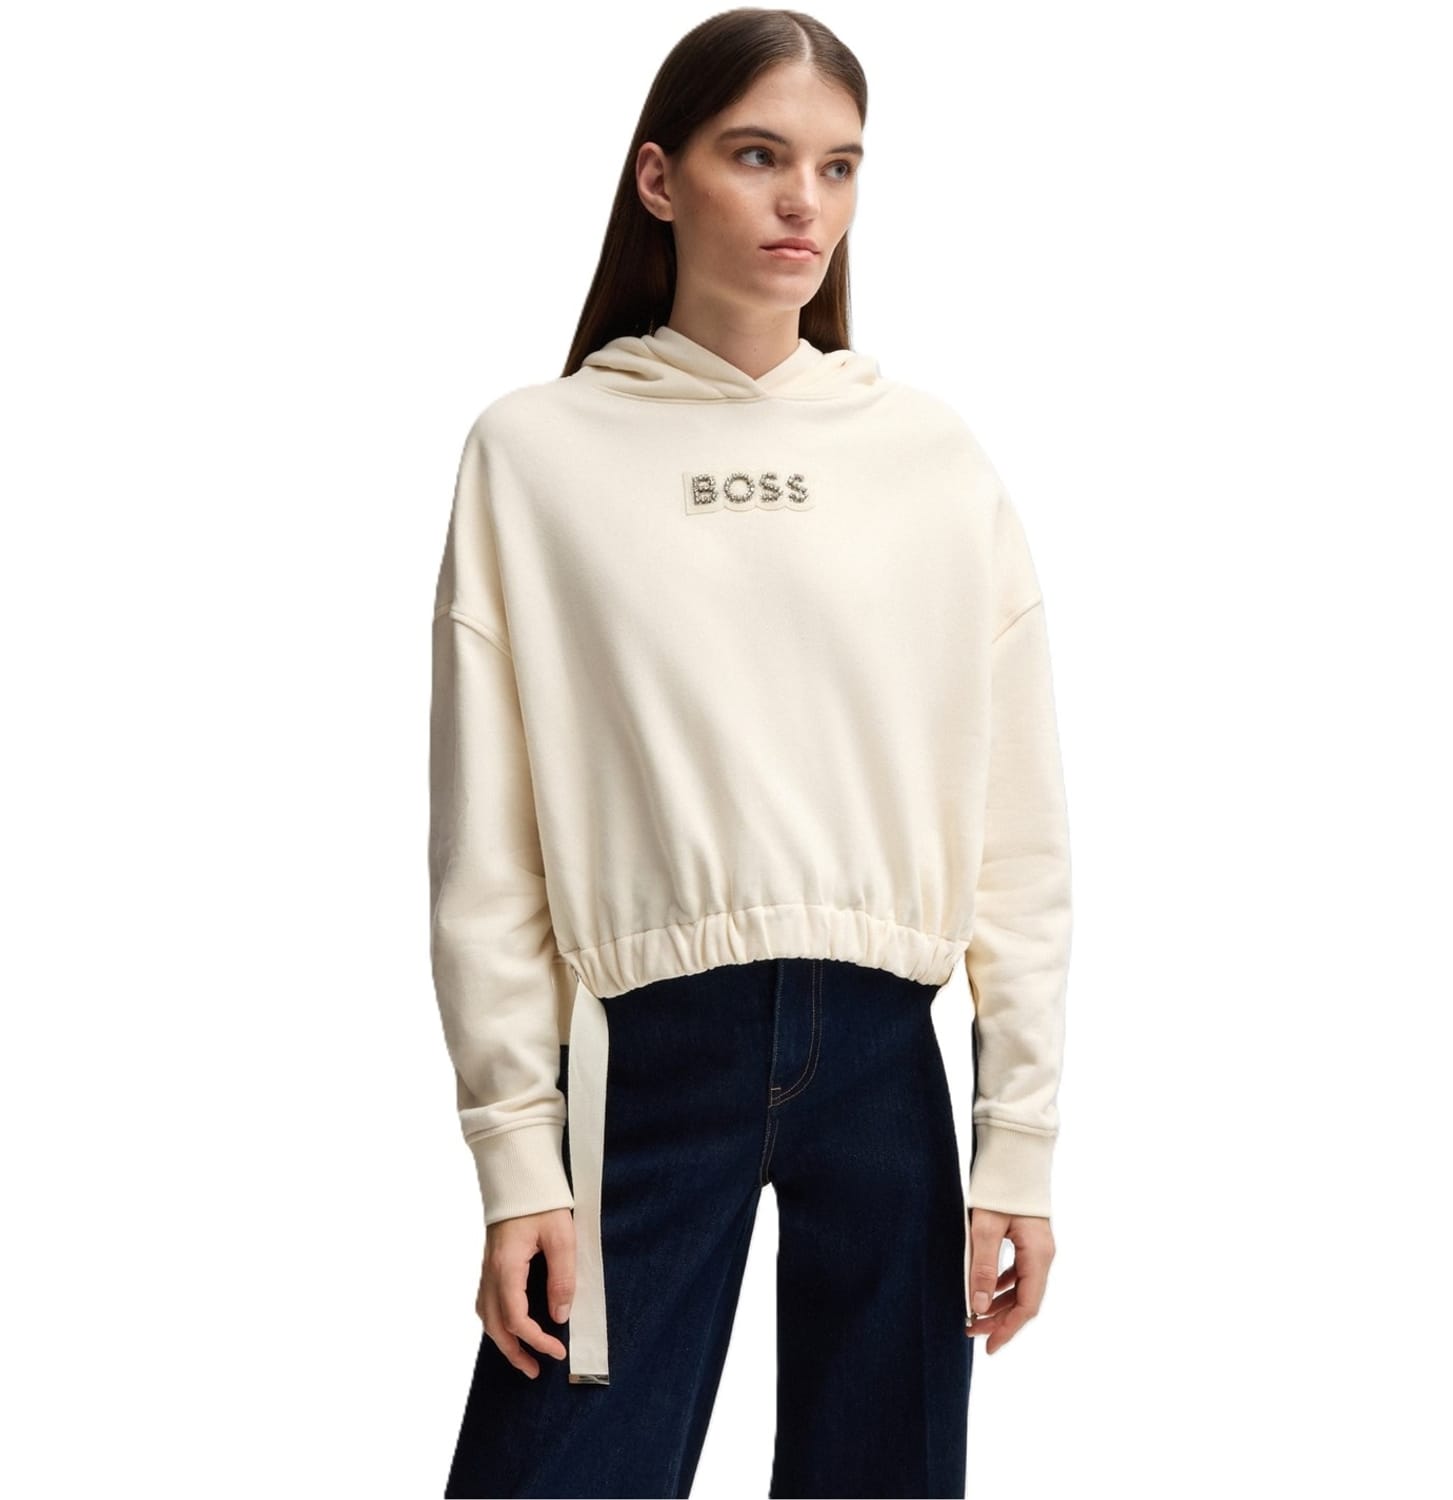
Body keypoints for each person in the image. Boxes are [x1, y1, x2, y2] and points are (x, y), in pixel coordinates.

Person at [427, 9, 1073, 1497]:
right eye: (759, 156)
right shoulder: (537, 452)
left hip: (889, 1059)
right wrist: (516, 1155)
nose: (805, 205)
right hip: (644, 1056)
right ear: (660, 178)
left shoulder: (929, 458)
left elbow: (1018, 831)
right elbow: (488, 844)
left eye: (839, 167)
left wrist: (1018, 1137)